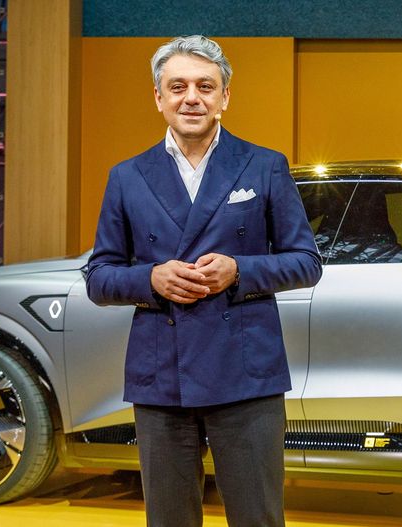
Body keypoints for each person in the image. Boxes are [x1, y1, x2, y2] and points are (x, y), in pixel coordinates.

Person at [85, 35, 322, 526]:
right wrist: (151, 278)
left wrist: (240, 270)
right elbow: (99, 277)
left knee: (257, 517)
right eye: (178, 87)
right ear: (158, 97)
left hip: (247, 373)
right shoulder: (127, 176)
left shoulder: (264, 165)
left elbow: (306, 261)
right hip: (161, 376)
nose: (191, 98)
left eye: (205, 86)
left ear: (224, 96)